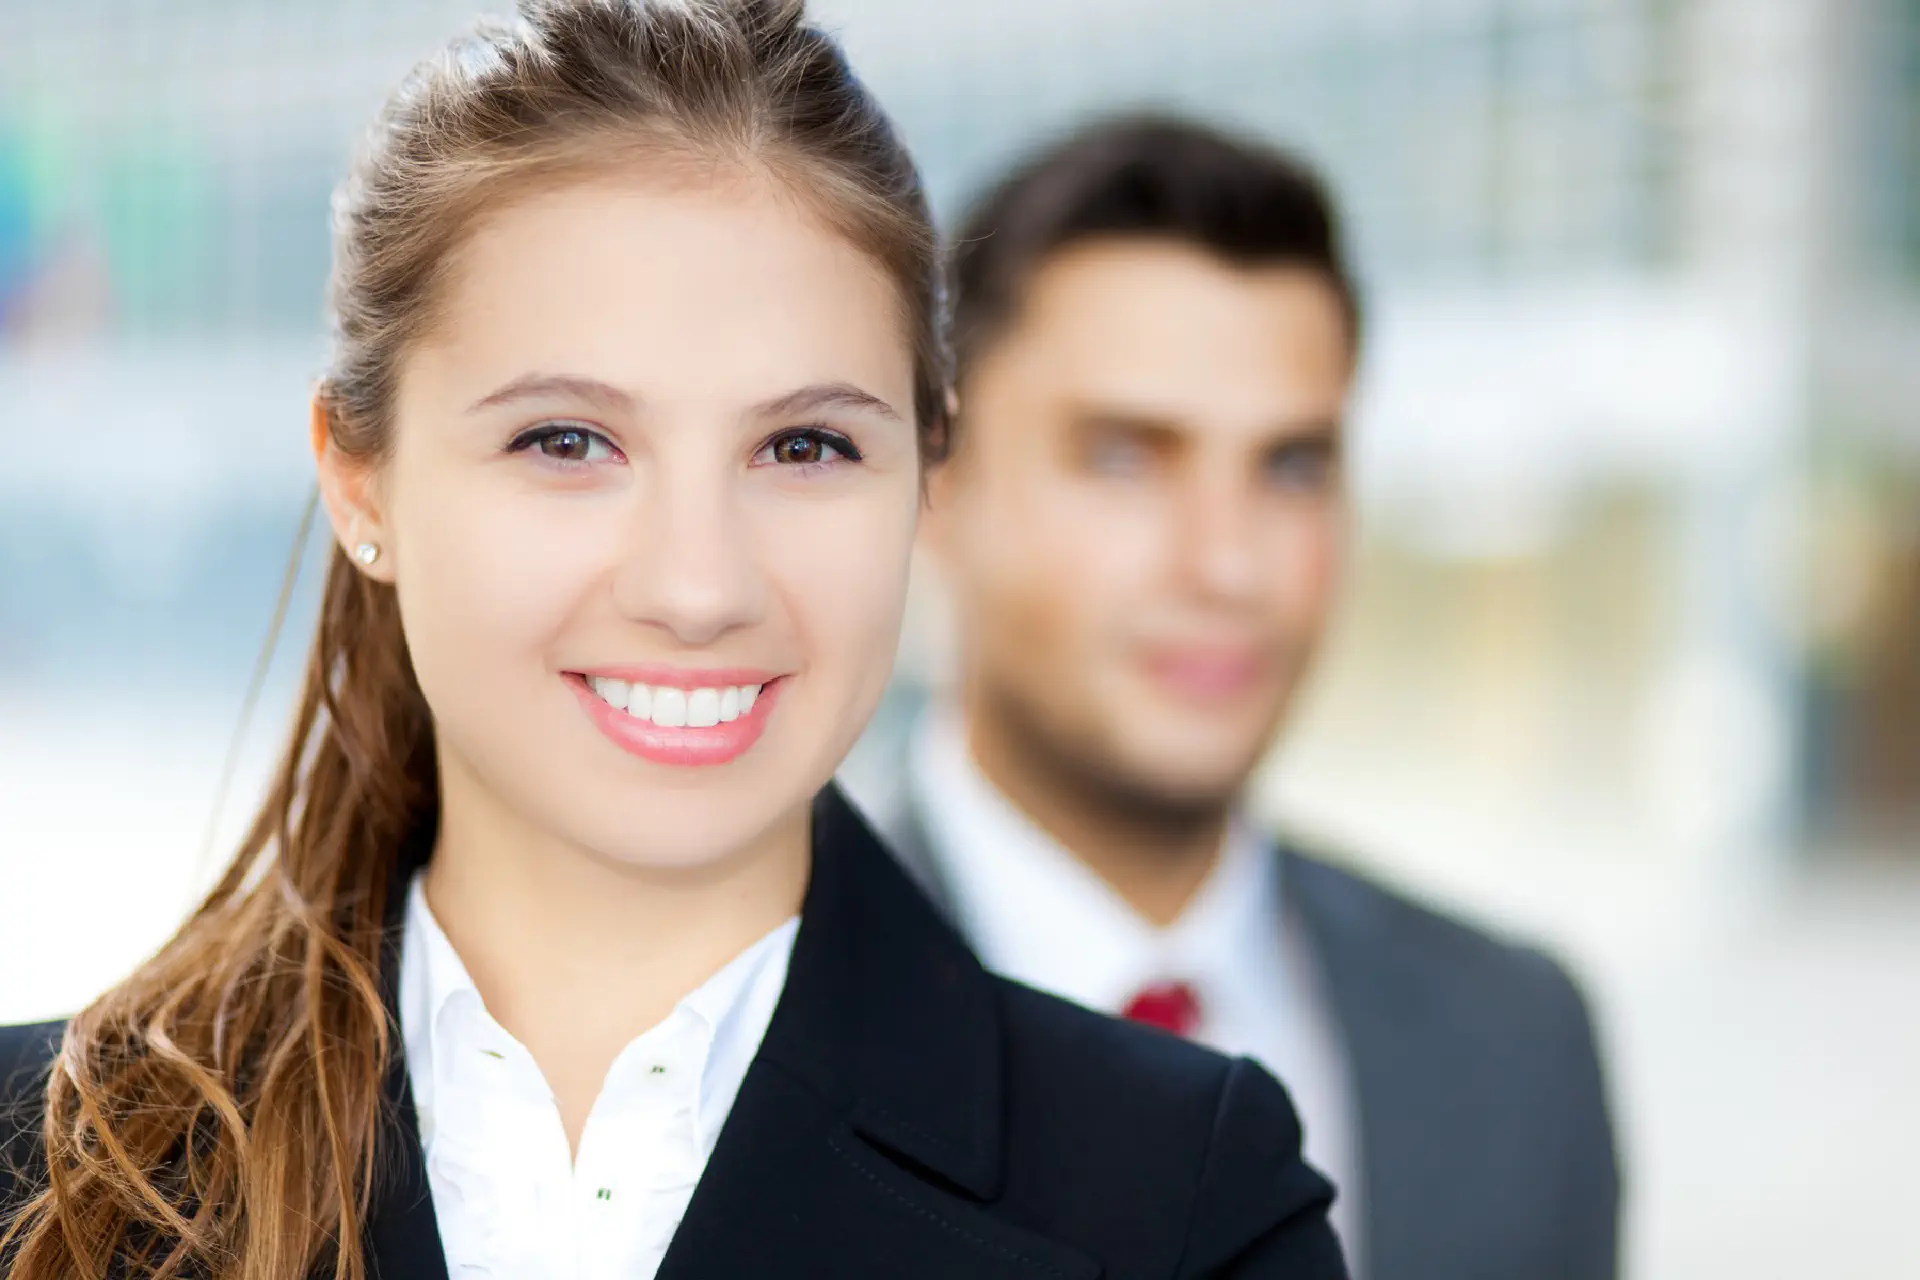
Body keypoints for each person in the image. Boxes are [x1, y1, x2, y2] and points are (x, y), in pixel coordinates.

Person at [0, 10, 1349, 1279]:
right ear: (361, 482)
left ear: (928, 481)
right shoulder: (40, 1169)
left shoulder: (1185, 1204)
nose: (698, 586)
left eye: (806, 446)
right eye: (567, 442)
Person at [846, 115, 1620, 1280]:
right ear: (937, 487)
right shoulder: (739, 1015)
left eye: (1292, 466)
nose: (1229, 565)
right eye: (1125, 455)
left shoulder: (1516, 1039)